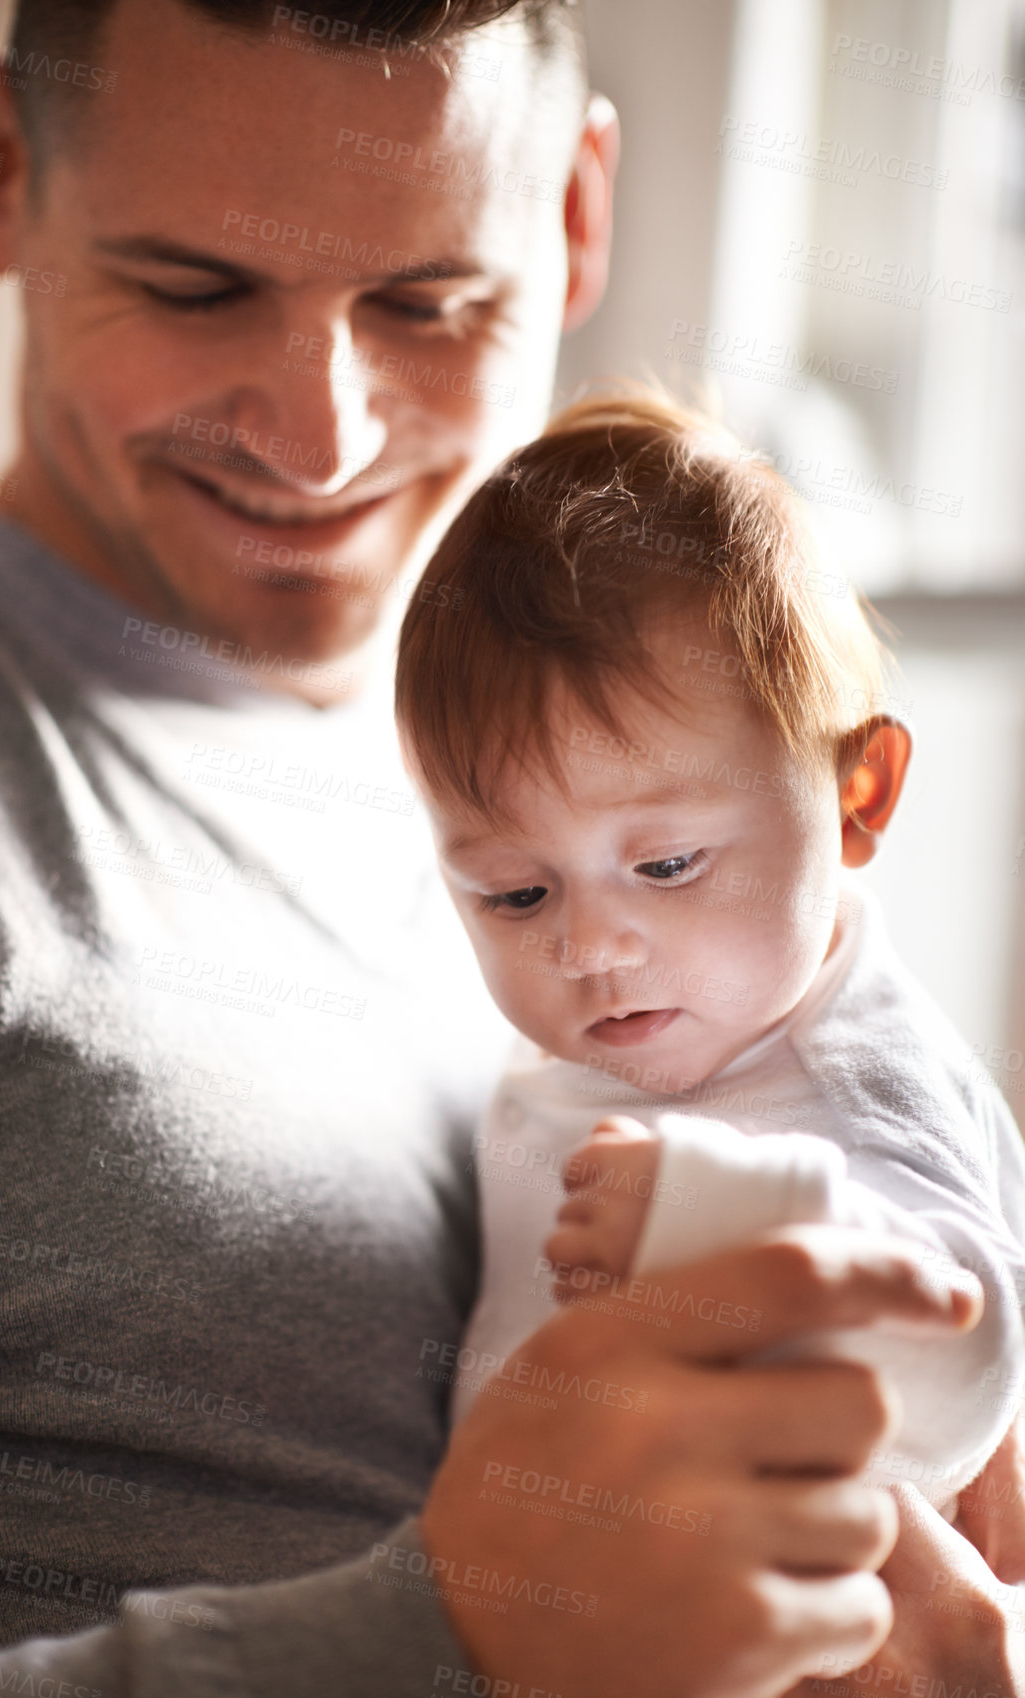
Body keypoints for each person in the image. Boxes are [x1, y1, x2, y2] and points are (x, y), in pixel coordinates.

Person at [0, 1, 1003, 1698]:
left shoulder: (610, 784)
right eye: (194, 289)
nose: (318, 438)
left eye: (430, 302)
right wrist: (453, 1651)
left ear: (575, 217)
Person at [394, 388, 1025, 1507]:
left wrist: (720, 1222)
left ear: (855, 798)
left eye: (670, 865)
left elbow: (965, 1357)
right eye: (516, 893)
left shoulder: (853, 1077)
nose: (591, 946)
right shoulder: (594, 1052)